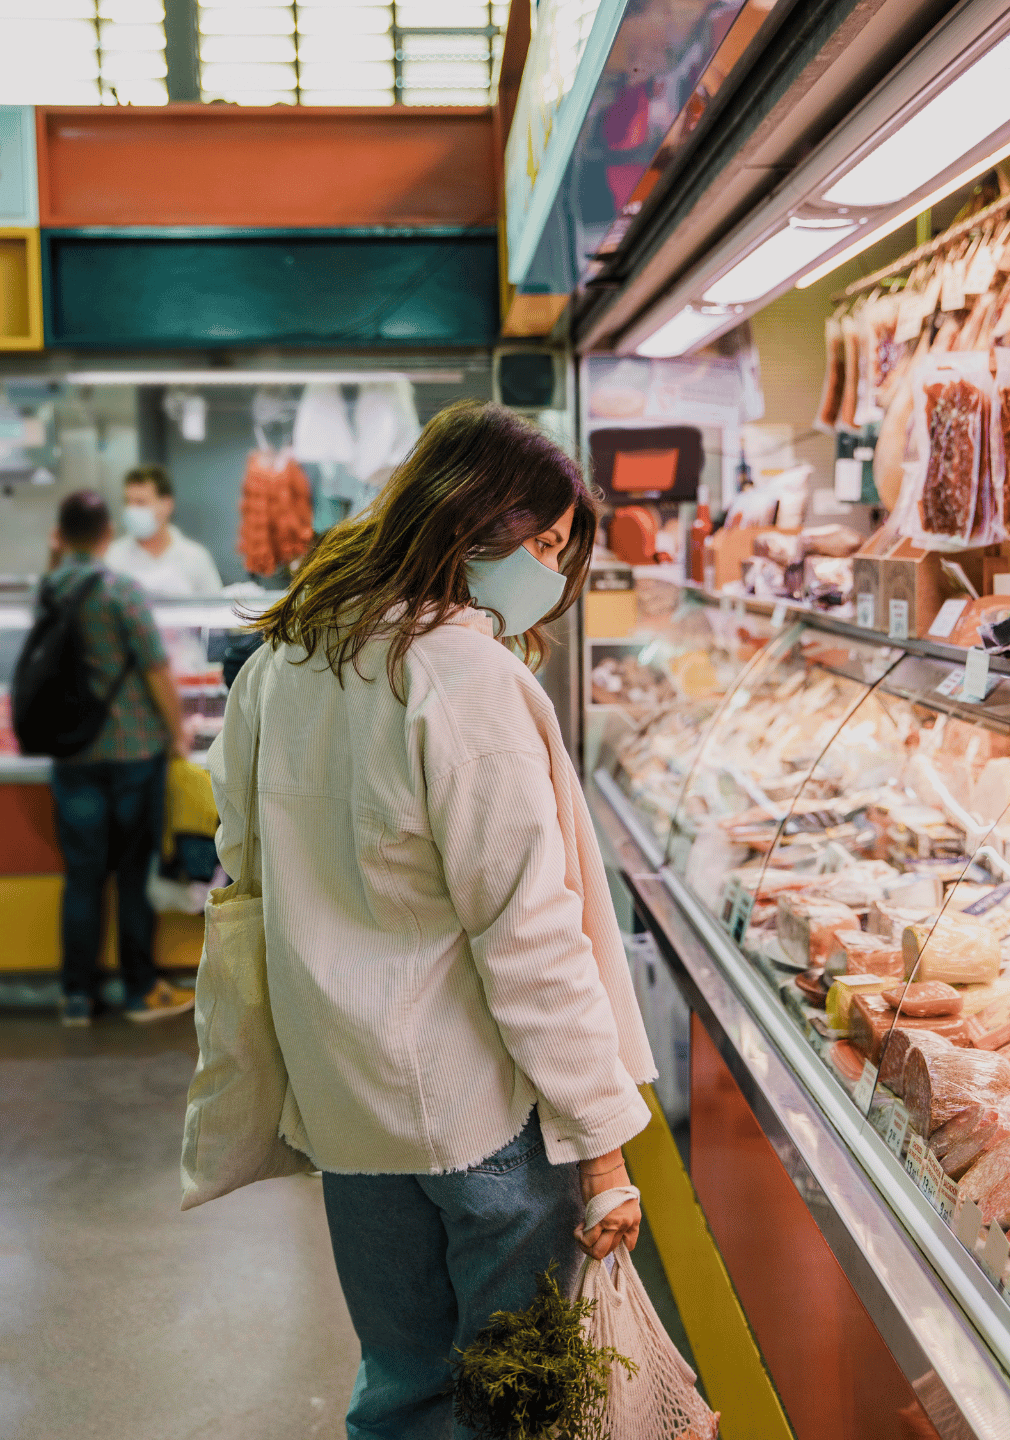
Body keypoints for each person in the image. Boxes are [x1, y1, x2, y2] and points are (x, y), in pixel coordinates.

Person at [208, 401, 656, 1439]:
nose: (550, 570)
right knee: (515, 1397)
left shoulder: (287, 660)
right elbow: (529, 936)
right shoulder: (466, 678)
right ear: (473, 521)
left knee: (403, 1380)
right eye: (541, 542)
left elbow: (244, 865)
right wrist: (600, 1144)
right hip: (480, 1115)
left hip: (349, 1102)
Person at [47, 490, 197, 1026]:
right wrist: (179, 733)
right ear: (108, 533)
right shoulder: (120, 590)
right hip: (132, 751)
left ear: (61, 535)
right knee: (133, 875)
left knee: (82, 877)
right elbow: (158, 670)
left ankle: (76, 997)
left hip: (72, 754)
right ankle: (139, 992)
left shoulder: (50, 588)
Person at [105, 464, 223, 596]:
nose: (131, 510)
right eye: (128, 502)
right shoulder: (111, 557)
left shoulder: (196, 557)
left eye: (140, 502)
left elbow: (215, 610)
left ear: (167, 505)